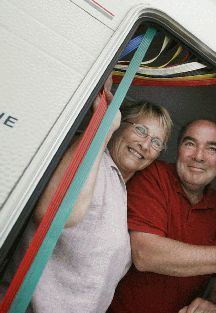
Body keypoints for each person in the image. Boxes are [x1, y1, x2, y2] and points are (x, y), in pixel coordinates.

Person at [25, 76, 173, 313]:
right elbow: (53, 215)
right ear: (120, 124)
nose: (145, 145)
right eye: (141, 130)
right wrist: (103, 127)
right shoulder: (95, 160)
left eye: (156, 142)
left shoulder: (124, 188)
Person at [108, 119, 216, 313]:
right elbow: (144, 254)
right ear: (178, 150)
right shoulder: (153, 175)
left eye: (212, 149)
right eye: (190, 144)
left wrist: (215, 301)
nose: (198, 156)